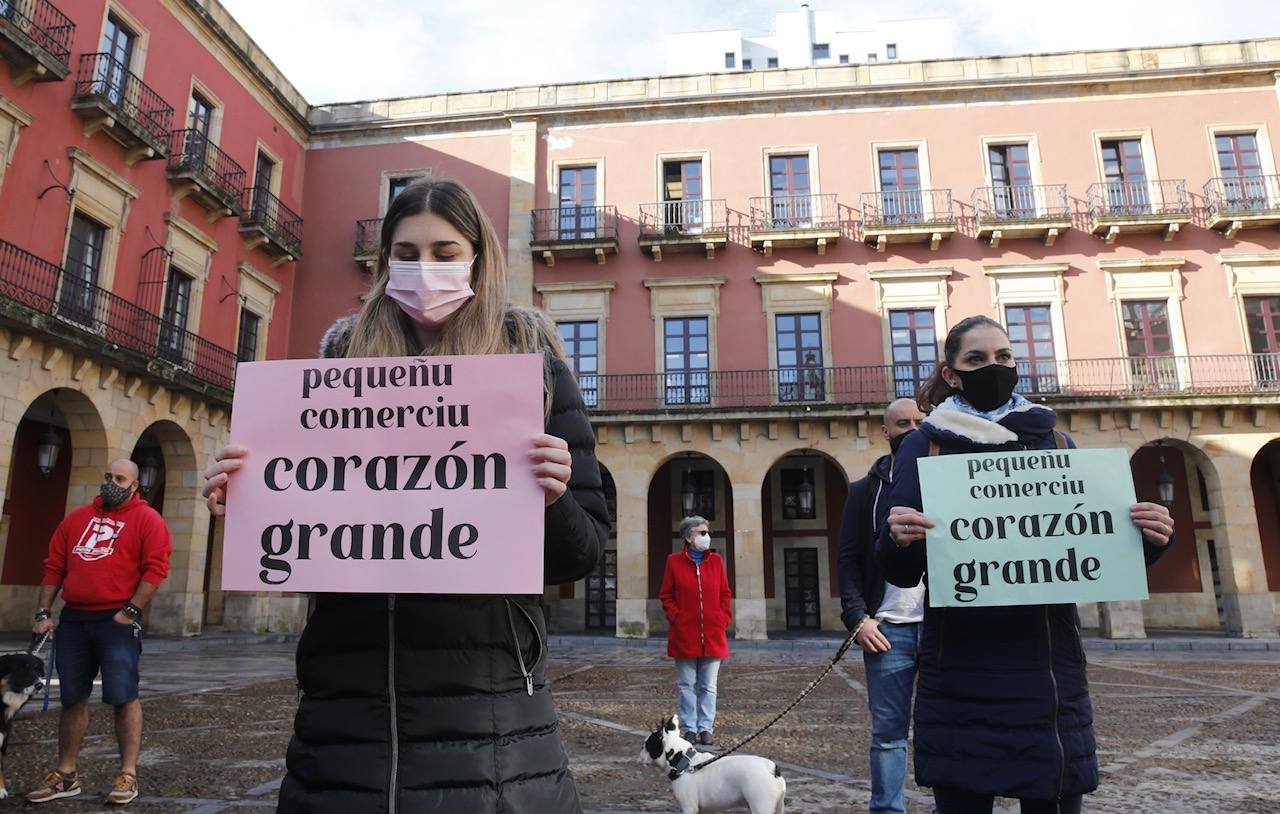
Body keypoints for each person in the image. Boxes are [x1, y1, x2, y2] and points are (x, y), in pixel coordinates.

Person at [201, 179, 610, 813]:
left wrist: (553, 499)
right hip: (345, 715)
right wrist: (250, 495)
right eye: (407, 251)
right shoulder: (337, 369)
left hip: (491, 720)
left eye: (446, 253)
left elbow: (581, 555)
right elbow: (308, 535)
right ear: (385, 258)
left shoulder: (535, 368)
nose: (426, 269)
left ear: (478, 256)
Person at [876, 315, 1175, 814]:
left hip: (1048, 670)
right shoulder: (921, 444)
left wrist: (1149, 540)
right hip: (963, 670)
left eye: (1003, 357)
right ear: (952, 373)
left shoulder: (1055, 441)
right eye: (976, 360)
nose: (993, 367)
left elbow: (1093, 554)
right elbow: (901, 571)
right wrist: (899, 537)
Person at [27, 459, 172, 806]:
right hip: (74, 619)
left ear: (134, 485)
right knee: (72, 697)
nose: (111, 482)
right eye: (107, 476)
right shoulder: (76, 518)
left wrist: (131, 611)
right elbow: (54, 565)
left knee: (124, 696)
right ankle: (66, 775)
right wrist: (44, 612)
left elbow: (156, 569)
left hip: (116, 621)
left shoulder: (148, 520)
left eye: (120, 478)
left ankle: (127, 775)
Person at [837, 397, 927, 814]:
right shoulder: (863, 491)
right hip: (888, 629)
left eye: (919, 421)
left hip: (946, 627)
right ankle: (888, 810)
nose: (912, 428)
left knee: (948, 726)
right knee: (889, 734)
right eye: (902, 423)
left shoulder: (951, 478)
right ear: (885, 432)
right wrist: (858, 618)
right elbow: (849, 559)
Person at [659, 515, 732, 746]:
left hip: (713, 634)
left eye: (707, 532)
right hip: (685, 635)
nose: (706, 536)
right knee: (686, 685)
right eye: (702, 533)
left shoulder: (717, 561)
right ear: (689, 537)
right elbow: (666, 595)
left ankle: (706, 728)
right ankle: (689, 728)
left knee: (709, 686)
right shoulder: (673, 562)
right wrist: (676, 618)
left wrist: (723, 618)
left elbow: (725, 593)